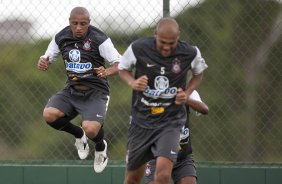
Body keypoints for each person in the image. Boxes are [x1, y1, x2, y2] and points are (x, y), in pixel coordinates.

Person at [118, 17, 208, 184]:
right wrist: (133, 82)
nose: (167, 47)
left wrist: (187, 93)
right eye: (162, 42)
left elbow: (199, 73)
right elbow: (122, 68)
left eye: (171, 43)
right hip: (142, 122)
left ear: (178, 37)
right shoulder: (138, 48)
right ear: (155, 35)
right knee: (132, 179)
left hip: (170, 122)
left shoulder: (190, 52)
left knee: (163, 176)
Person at [36, 7, 121, 173]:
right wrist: (43, 62)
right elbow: (46, 58)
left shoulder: (99, 38)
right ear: (69, 22)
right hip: (72, 89)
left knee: (91, 129)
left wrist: (107, 71)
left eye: (83, 24)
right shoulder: (61, 37)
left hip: (96, 91)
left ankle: (100, 147)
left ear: (89, 23)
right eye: (75, 23)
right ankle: (78, 135)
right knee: (49, 115)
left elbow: (120, 64)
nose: (79, 27)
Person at [144, 90, 209, 184]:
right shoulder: (153, 90)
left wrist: (186, 99)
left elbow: (204, 110)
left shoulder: (188, 90)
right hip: (156, 156)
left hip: (182, 156)